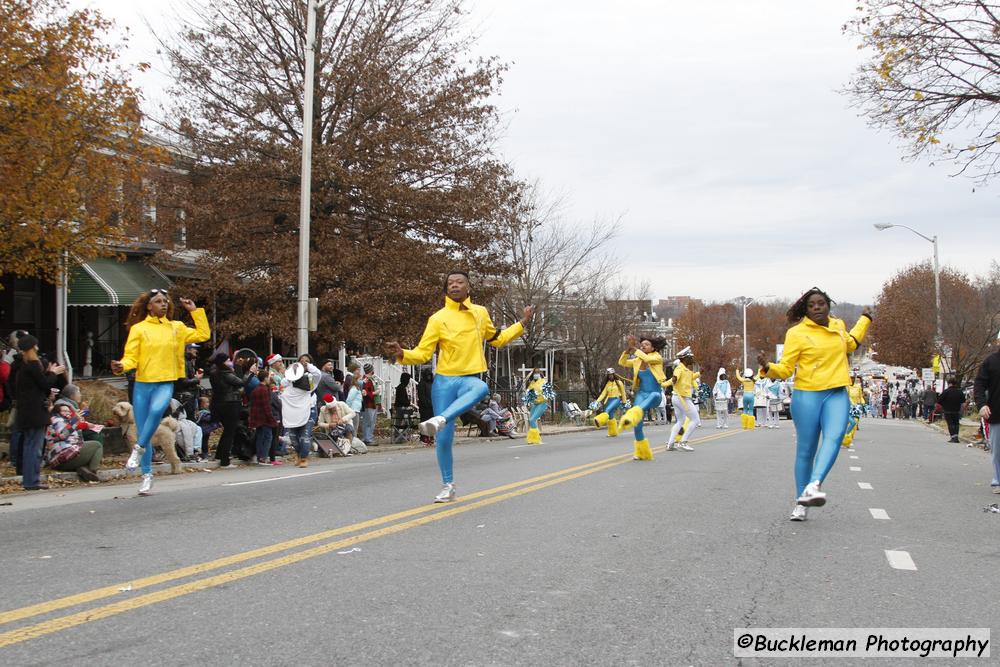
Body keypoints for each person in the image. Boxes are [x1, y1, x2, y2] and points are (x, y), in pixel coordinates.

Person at [383, 270, 533, 502]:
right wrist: (403, 353)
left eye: (459, 282)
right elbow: (423, 353)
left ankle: (440, 419)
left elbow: (498, 339)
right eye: (450, 283)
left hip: (468, 379)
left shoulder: (480, 313)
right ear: (446, 290)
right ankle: (448, 485)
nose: (454, 285)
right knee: (444, 439)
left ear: (468, 288)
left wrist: (522, 323)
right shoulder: (437, 318)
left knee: (481, 389)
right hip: (444, 382)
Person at [758, 287, 872, 521]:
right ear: (805, 309)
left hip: (837, 392)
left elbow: (851, 344)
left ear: (828, 305)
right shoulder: (797, 333)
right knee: (806, 450)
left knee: (835, 436)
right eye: (811, 305)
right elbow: (786, 368)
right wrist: (769, 367)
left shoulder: (838, 326)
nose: (817, 307)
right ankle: (801, 503)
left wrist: (865, 319)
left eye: (821, 303)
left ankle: (813, 486)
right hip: (807, 395)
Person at [111, 290, 209, 495]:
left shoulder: (176, 328)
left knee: (156, 412)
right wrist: (121, 365)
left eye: (165, 301)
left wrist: (195, 311)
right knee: (143, 428)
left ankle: (137, 450)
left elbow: (203, 334)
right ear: (148, 306)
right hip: (142, 385)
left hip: (165, 383)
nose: (163, 304)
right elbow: (131, 358)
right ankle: (146, 477)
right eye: (158, 301)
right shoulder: (139, 329)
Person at [14, 335, 67, 490]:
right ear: (31, 348)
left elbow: (35, 388)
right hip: (35, 412)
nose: (37, 348)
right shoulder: (33, 365)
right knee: (34, 448)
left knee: (30, 446)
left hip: (27, 411)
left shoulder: (23, 367)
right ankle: (32, 481)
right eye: (35, 346)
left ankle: (30, 480)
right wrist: (53, 373)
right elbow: (44, 384)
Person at [617, 335, 669, 461]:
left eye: (646, 344)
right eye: (642, 344)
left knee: (653, 396)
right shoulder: (637, 361)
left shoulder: (657, 357)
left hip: (655, 394)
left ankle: (633, 413)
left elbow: (646, 358)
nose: (643, 346)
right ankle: (641, 452)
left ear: (653, 348)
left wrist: (635, 349)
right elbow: (622, 362)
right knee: (638, 424)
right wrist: (627, 352)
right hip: (642, 393)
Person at [45, 385, 103, 482]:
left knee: (88, 447)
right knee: (97, 445)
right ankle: (93, 470)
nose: (68, 413)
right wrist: (74, 419)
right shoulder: (57, 420)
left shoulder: (63, 420)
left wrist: (80, 417)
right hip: (62, 457)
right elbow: (63, 434)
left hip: (65, 455)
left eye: (68, 411)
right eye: (64, 411)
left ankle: (83, 469)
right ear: (57, 411)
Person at [280, 361, 321, 468]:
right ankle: (298, 454)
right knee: (293, 437)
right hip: (291, 414)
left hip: (308, 412)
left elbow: (318, 375)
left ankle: (304, 457)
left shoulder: (309, 385)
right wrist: (289, 376)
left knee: (304, 435)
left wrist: (309, 366)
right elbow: (283, 382)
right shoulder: (289, 383)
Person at [208, 352, 246, 469]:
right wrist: (249, 373)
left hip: (219, 403)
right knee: (230, 431)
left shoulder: (214, 373)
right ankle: (225, 460)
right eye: (228, 360)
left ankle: (220, 454)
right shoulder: (225, 373)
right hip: (230, 404)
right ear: (223, 362)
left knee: (227, 431)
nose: (230, 362)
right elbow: (240, 382)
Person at [663, 347, 700, 451]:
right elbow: (675, 377)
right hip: (682, 398)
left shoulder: (686, 369)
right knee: (695, 420)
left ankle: (670, 444)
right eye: (691, 357)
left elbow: (690, 377)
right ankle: (683, 442)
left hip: (677, 398)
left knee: (680, 421)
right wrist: (673, 379)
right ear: (685, 358)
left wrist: (700, 373)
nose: (692, 359)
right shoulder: (679, 368)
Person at [248, 370, 279, 465]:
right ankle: (263, 457)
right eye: (268, 377)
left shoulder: (256, 389)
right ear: (265, 378)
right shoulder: (264, 390)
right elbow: (266, 406)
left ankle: (259, 456)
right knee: (268, 437)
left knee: (260, 437)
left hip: (257, 417)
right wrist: (271, 419)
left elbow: (252, 405)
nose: (270, 379)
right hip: (264, 418)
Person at [593, 368, 627, 437]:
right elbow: (603, 394)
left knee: (607, 410)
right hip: (609, 400)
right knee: (610, 417)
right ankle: (613, 433)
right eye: (609, 375)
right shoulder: (607, 384)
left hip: (616, 399)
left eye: (611, 375)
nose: (610, 376)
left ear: (614, 374)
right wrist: (597, 401)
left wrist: (624, 402)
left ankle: (599, 421)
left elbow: (623, 393)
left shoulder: (619, 382)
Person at [523, 369, 552, 445]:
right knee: (530, 420)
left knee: (532, 419)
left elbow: (548, 393)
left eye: (537, 373)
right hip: (535, 404)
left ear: (540, 374)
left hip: (542, 404)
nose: (536, 374)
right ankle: (531, 439)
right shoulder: (531, 383)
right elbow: (528, 393)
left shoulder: (543, 382)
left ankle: (537, 439)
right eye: (535, 373)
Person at [938, 379, 965, 444]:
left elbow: (939, 400)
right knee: (956, 423)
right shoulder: (960, 392)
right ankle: (956, 437)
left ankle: (953, 437)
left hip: (947, 410)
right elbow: (963, 400)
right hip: (956, 410)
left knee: (950, 423)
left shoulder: (946, 391)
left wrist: (944, 405)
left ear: (950, 383)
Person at [841, 374, 865, 447]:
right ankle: (845, 439)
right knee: (848, 423)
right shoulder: (846, 387)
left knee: (854, 423)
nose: (852, 380)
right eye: (850, 378)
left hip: (856, 408)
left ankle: (847, 438)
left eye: (853, 378)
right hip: (847, 407)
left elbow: (860, 396)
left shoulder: (858, 387)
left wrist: (862, 403)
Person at [359, 363, 378, 445]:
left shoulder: (371, 379)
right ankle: (368, 439)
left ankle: (368, 437)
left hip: (373, 403)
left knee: (371, 421)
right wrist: (374, 393)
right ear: (371, 370)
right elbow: (365, 393)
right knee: (368, 421)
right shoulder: (366, 380)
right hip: (368, 404)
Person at [416, 367, 435, 445]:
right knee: (424, 422)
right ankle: (424, 437)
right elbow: (421, 396)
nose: (428, 377)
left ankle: (431, 437)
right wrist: (427, 403)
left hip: (432, 406)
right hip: (424, 407)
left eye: (430, 375)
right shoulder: (422, 383)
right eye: (427, 375)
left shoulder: (432, 383)